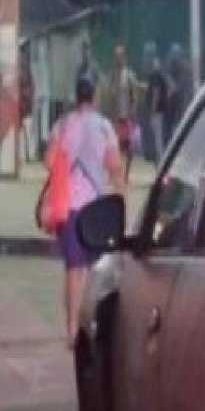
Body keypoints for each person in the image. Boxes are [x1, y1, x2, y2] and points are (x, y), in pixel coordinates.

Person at [46, 76, 125, 350]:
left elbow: (49, 161)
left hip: (67, 208)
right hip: (95, 209)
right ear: (95, 96)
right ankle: (91, 326)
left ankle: (70, 331)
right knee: (95, 270)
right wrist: (122, 198)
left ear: (75, 97)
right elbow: (114, 166)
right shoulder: (104, 126)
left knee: (73, 270)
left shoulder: (63, 124)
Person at [109, 44, 139, 181]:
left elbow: (134, 95)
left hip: (127, 116)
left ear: (124, 58)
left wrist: (132, 112)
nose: (118, 59)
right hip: (116, 115)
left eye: (120, 56)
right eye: (116, 57)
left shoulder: (129, 75)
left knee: (129, 147)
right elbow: (110, 94)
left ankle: (126, 173)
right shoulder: (113, 75)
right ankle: (118, 173)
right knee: (117, 147)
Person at [145, 51, 171, 163]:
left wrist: (152, 112)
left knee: (158, 140)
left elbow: (155, 93)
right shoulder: (162, 76)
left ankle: (160, 163)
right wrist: (165, 99)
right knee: (160, 138)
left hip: (157, 112)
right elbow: (172, 88)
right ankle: (161, 161)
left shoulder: (154, 76)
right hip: (163, 111)